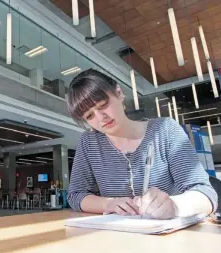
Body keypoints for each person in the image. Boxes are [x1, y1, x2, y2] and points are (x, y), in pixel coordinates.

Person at [66, 69, 218, 219]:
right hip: (116, 237)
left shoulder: (165, 130)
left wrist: (174, 206)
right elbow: (75, 195)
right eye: (90, 115)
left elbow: (206, 193)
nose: (101, 117)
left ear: (119, 93)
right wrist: (108, 204)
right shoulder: (89, 143)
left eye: (103, 105)